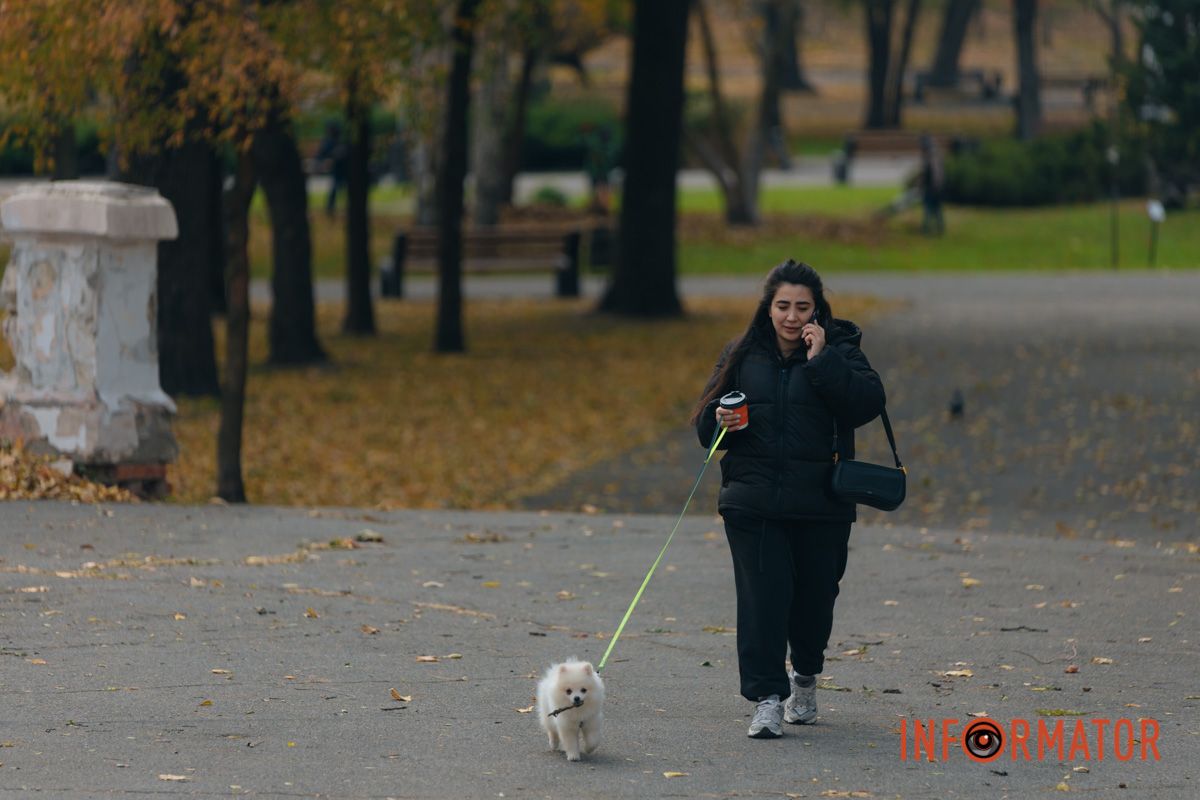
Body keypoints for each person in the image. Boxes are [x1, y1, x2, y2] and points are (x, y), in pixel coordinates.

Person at [692, 260, 886, 739]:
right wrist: (720, 421)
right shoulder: (741, 353)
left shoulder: (840, 349)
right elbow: (704, 426)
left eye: (802, 307)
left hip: (821, 503)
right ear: (768, 307)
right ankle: (768, 699)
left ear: (817, 310)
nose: (792, 316)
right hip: (752, 501)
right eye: (783, 306)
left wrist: (823, 361)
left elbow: (867, 404)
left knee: (815, 601)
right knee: (762, 600)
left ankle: (805, 676)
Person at [315, 121, 349, 219]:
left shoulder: (336, 142)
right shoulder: (329, 142)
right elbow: (322, 156)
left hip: (340, 168)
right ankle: (330, 208)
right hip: (337, 169)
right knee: (335, 188)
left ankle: (331, 208)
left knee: (337, 188)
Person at [918, 134, 945, 236]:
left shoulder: (932, 157)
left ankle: (927, 229)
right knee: (936, 210)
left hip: (933, 189)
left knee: (929, 209)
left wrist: (934, 187)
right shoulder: (933, 155)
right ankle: (939, 228)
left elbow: (935, 174)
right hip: (935, 188)